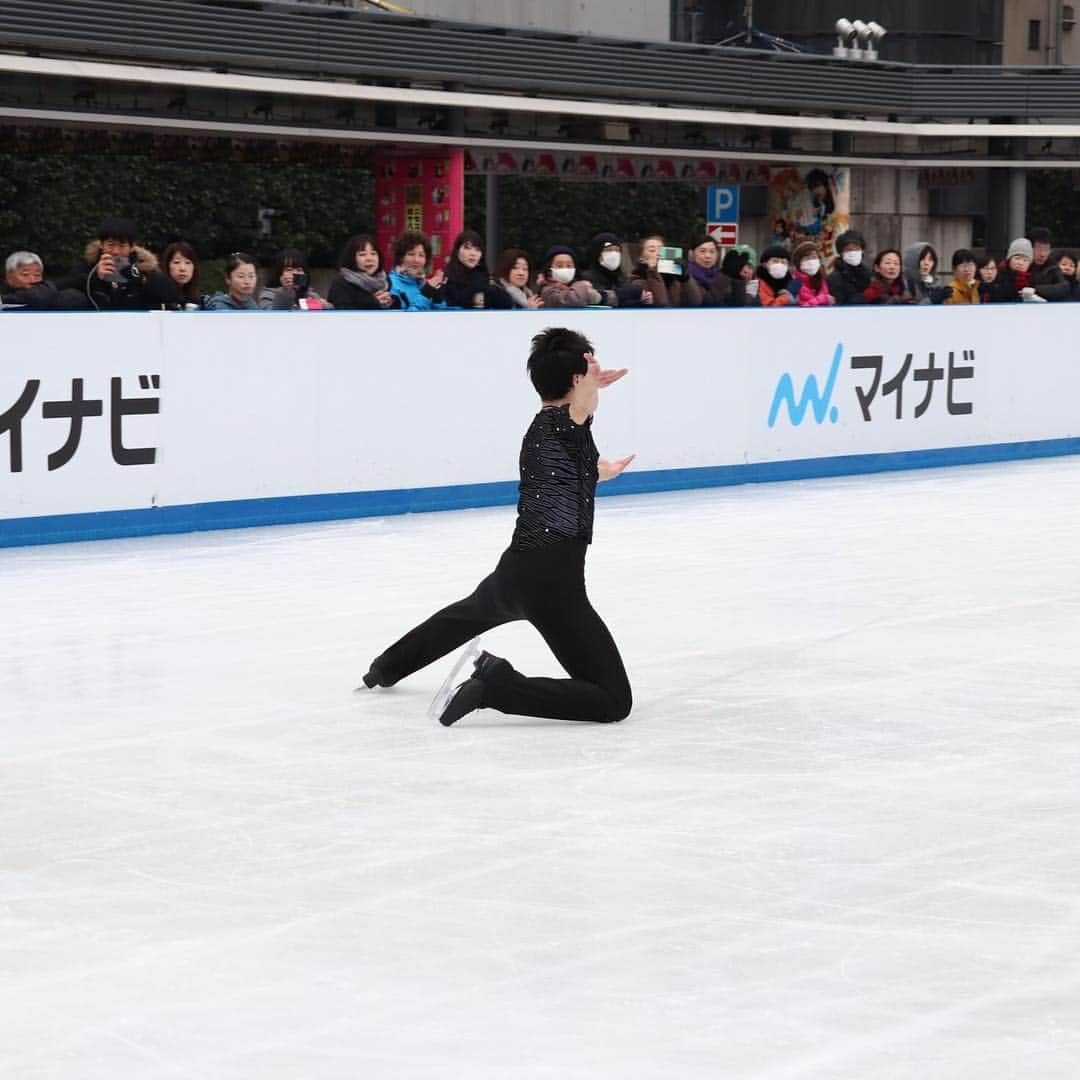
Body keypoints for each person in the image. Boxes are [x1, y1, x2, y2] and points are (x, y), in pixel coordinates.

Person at [360, 326, 634, 728]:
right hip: (554, 584)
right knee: (613, 700)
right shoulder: (567, 422)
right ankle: (497, 686)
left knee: (461, 618)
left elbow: (567, 470)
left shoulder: (544, 429)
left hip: (516, 571)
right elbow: (583, 408)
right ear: (577, 380)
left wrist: (599, 470)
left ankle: (385, 667)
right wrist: (590, 383)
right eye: (587, 374)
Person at [57, 217, 178, 311]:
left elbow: (170, 293)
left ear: (132, 247)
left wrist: (140, 279)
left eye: (122, 245)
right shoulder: (88, 265)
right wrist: (95, 278)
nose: (115, 251)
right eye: (110, 244)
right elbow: (62, 289)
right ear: (101, 245)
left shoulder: (144, 267)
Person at [443, 230, 513, 310]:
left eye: (477, 249)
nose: (473, 253)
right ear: (457, 251)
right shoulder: (447, 277)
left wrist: (490, 289)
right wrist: (474, 288)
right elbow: (454, 303)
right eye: (467, 248)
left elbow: (507, 303)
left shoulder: (483, 275)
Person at [327, 234, 398, 310]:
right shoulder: (341, 284)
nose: (369, 258)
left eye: (373, 253)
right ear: (352, 258)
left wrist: (391, 302)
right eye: (362, 254)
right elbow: (342, 314)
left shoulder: (386, 281)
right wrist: (374, 302)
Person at [581, 232, 651, 307]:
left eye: (617, 250)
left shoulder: (621, 277)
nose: (614, 254)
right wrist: (635, 295)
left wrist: (644, 299)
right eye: (609, 250)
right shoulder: (587, 278)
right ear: (597, 254)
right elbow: (606, 300)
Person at [2, 251, 88, 311]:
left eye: (37, 275)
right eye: (25, 274)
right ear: (9, 277)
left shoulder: (49, 297)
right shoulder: (6, 299)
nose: (32, 279)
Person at [388, 232, 447, 311]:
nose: (416, 260)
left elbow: (442, 318)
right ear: (401, 257)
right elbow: (402, 320)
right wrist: (426, 294)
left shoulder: (423, 283)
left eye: (421, 255)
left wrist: (438, 298)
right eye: (411, 254)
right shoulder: (390, 283)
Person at [259, 249, 329, 310]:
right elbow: (272, 317)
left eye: (299, 270)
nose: (295, 273)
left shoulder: (311, 295)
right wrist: (286, 290)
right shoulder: (268, 295)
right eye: (289, 270)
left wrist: (324, 305)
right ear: (279, 274)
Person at [680, 234, 739, 307]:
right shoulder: (684, 276)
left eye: (712, 252)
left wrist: (738, 278)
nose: (708, 256)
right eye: (702, 251)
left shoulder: (723, 277)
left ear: (717, 255)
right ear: (691, 254)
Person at [536, 245, 601, 308]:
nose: (565, 268)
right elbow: (575, 301)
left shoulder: (575, 288)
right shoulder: (547, 291)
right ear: (549, 270)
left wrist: (602, 296)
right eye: (559, 266)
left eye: (569, 265)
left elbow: (599, 298)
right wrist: (582, 286)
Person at [988, 238, 1047, 303]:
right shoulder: (997, 277)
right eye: (1017, 258)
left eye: (1025, 260)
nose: (1020, 263)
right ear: (1009, 259)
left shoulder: (1037, 278)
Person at [629, 234, 681, 308]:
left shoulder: (674, 278)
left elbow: (694, 301)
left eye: (662, 250)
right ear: (641, 258)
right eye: (652, 250)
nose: (658, 254)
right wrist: (652, 270)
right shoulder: (638, 281)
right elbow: (661, 302)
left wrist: (686, 278)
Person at [825, 229, 871, 306]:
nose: (853, 252)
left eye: (856, 248)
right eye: (848, 250)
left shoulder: (870, 274)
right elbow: (840, 305)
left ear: (862, 250)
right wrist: (866, 296)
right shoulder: (833, 279)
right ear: (841, 253)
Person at [161, 240, 210, 310]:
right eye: (176, 262)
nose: (182, 268)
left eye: (188, 262)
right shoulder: (160, 298)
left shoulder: (203, 301)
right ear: (167, 265)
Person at [1027, 227, 1071, 301]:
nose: (1042, 254)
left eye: (1046, 250)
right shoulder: (1021, 265)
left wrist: (1034, 289)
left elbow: (1064, 288)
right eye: (1038, 249)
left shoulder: (1052, 266)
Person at [789, 241, 834, 306]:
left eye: (814, 257)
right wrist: (823, 298)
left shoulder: (821, 280)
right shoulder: (794, 282)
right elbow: (805, 305)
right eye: (807, 258)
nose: (811, 261)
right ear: (798, 263)